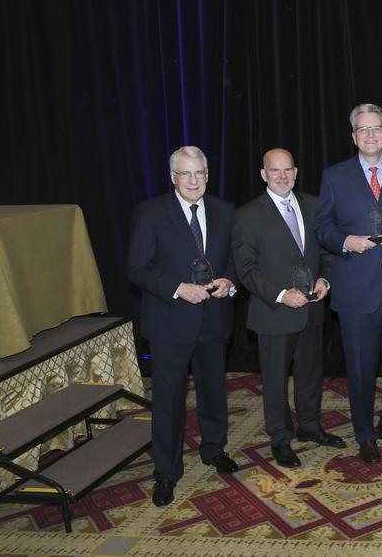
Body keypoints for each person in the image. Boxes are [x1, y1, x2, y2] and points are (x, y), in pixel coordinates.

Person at [127, 146, 238, 507]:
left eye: (200, 173)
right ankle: (166, 472)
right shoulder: (150, 212)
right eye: (186, 174)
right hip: (170, 322)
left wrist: (228, 282)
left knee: (213, 391)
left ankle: (214, 449)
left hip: (213, 319)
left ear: (208, 175)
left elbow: (238, 259)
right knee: (169, 401)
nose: (193, 181)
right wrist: (178, 289)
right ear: (173, 177)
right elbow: (138, 269)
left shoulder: (225, 211)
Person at [315, 104, 382, 464]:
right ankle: (365, 433)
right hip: (356, 287)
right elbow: (322, 226)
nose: (370, 135)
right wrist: (346, 241)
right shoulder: (335, 176)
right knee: (359, 368)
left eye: (376, 129)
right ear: (353, 136)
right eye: (363, 130)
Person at [233, 148, 343, 469]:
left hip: (312, 308)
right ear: (263, 174)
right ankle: (280, 438)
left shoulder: (314, 205)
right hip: (275, 312)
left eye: (287, 170)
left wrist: (325, 279)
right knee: (276, 380)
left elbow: (326, 252)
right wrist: (282, 294)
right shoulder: (247, 215)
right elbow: (246, 269)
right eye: (275, 170)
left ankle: (310, 427)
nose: (282, 176)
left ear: (296, 172)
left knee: (310, 373)